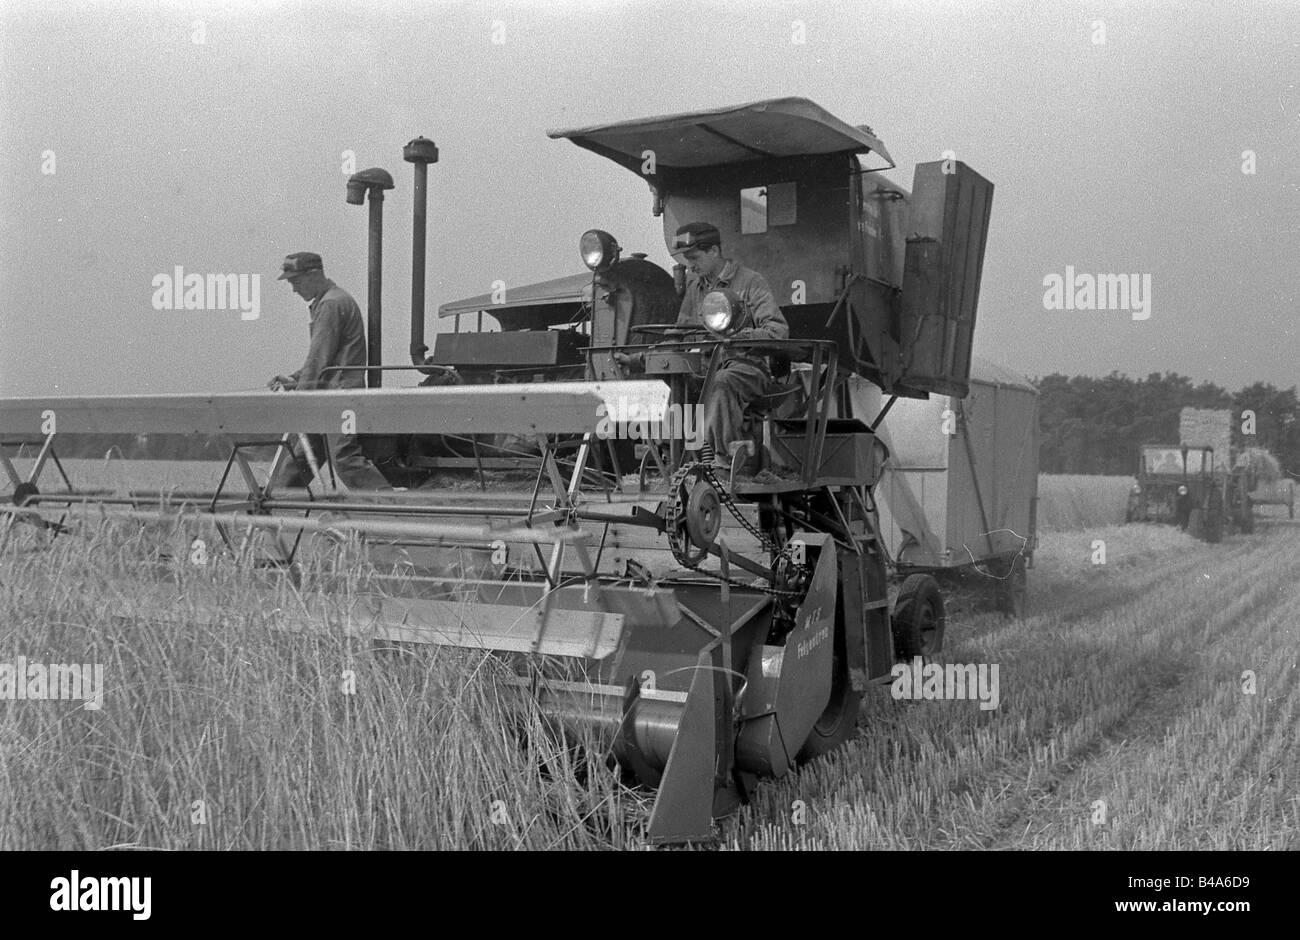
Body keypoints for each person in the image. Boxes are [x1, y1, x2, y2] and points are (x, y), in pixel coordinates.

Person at [616, 222, 788, 472]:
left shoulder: (750, 282)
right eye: (686, 260)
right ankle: (670, 456)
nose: (690, 265)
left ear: (715, 252)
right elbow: (681, 337)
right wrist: (638, 359)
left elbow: (778, 331)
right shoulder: (695, 288)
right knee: (672, 383)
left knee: (722, 382)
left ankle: (723, 461)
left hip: (746, 366)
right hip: (705, 367)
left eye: (694, 258)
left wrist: (736, 335)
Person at [267, 252, 390, 490]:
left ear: (314, 275)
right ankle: (272, 518)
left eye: (296, 281)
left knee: (344, 458)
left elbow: (318, 360)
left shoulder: (331, 304)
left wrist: (299, 399)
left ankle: (393, 512)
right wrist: (294, 380)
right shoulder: (329, 301)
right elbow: (323, 358)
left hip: (339, 398)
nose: (294, 289)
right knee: (299, 461)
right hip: (328, 395)